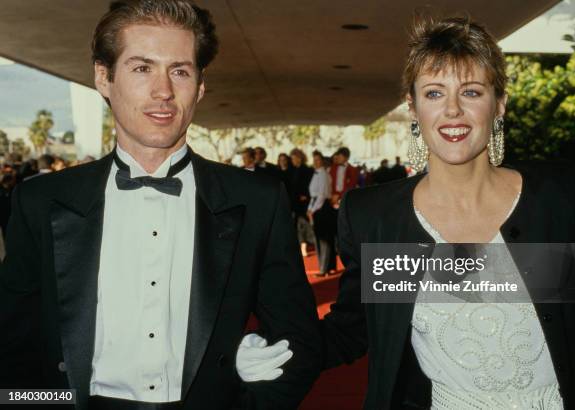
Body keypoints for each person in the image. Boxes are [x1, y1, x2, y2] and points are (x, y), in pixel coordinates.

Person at [242, 15, 575, 410]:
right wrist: (270, 349)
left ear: (499, 103)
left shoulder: (565, 197)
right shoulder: (379, 218)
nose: (452, 110)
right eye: (434, 93)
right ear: (413, 107)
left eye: (471, 92)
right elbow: (353, 330)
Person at [0, 1, 321, 409]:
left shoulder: (257, 200)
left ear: (200, 86)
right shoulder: (40, 201)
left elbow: (300, 340)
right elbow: (11, 348)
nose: (163, 91)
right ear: (104, 77)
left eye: (180, 71)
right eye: (141, 68)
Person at [307, 151, 334, 276]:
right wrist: (310, 208)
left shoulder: (323, 174)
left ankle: (324, 268)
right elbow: (314, 196)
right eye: (314, 160)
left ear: (322, 161)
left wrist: (313, 210)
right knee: (321, 238)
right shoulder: (317, 173)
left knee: (323, 240)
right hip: (317, 206)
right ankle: (327, 267)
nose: (315, 162)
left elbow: (321, 195)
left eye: (318, 160)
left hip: (322, 208)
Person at [288, 148, 314, 257]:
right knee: (297, 225)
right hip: (294, 202)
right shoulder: (292, 170)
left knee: (303, 224)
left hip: (304, 202)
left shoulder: (307, 170)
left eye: (294, 158)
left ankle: (304, 246)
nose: (292, 160)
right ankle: (301, 245)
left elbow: (310, 185)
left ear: (299, 158)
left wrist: (306, 195)